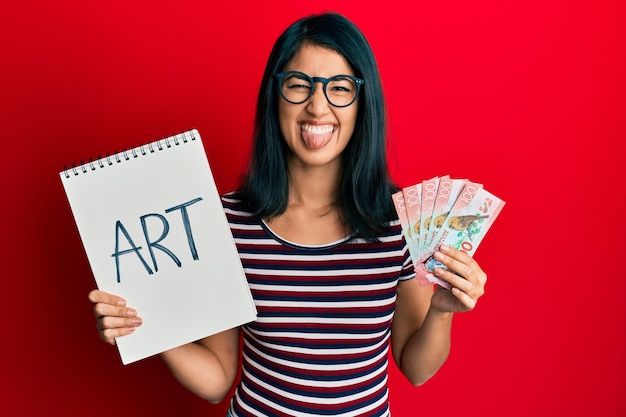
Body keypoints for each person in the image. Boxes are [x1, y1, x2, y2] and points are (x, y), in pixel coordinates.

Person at [88, 12, 487, 417]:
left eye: (339, 88)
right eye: (299, 85)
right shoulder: (227, 223)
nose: (318, 106)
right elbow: (217, 381)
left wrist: (440, 312)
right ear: (274, 96)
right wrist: (148, 328)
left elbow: (416, 369)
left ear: (362, 102)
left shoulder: (402, 223)